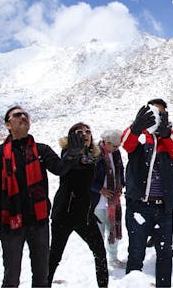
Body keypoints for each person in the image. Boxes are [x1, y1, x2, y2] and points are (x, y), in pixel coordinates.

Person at [0, 106, 84, 288]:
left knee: (41, 278)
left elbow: (59, 168)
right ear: (8, 124)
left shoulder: (41, 150)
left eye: (25, 115)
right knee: (11, 279)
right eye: (17, 115)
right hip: (11, 225)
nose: (23, 116)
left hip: (39, 223)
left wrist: (72, 155)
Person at [121, 98, 173, 287]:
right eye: (153, 111)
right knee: (136, 252)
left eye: (161, 112)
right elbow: (126, 145)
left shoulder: (171, 133)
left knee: (165, 254)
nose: (157, 115)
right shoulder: (138, 130)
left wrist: (166, 133)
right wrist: (135, 128)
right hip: (139, 206)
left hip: (164, 207)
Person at [48, 122, 108, 287]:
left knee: (100, 253)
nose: (85, 134)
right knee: (54, 257)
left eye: (88, 131)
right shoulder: (67, 155)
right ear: (72, 137)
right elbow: (68, 165)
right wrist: (73, 154)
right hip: (64, 214)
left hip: (85, 215)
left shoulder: (92, 157)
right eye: (79, 132)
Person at [92, 129, 126, 268]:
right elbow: (87, 177)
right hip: (98, 201)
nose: (117, 148)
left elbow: (121, 170)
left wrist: (120, 185)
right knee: (98, 233)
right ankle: (99, 260)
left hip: (113, 201)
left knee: (113, 229)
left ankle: (113, 258)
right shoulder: (95, 153)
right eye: (115, 146)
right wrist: (100, 189)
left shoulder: (116, 153)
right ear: (106, 143)